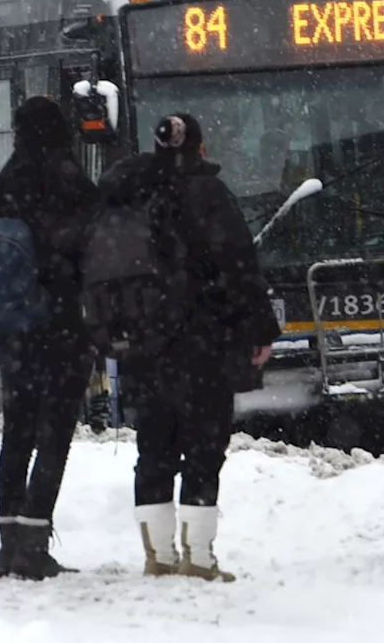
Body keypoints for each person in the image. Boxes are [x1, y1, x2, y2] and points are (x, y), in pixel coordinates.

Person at [96, 113, 280, 582]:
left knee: (154, 448)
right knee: (203, 448)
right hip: (205, 345)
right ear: (200, 149)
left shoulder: (130, 194)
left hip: (142, 345)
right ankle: (198, 558)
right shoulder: (211, 196)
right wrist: (260, 331)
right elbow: (240, 267)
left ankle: (156, 555)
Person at [0, 95, 99, 581]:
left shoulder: (1, 186)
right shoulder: (73, 184)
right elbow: (92, 249)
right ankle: (34, 540)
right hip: (64, 327)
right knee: (54, 437)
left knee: (17, 433)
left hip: (14, 329)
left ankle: (8, 544)